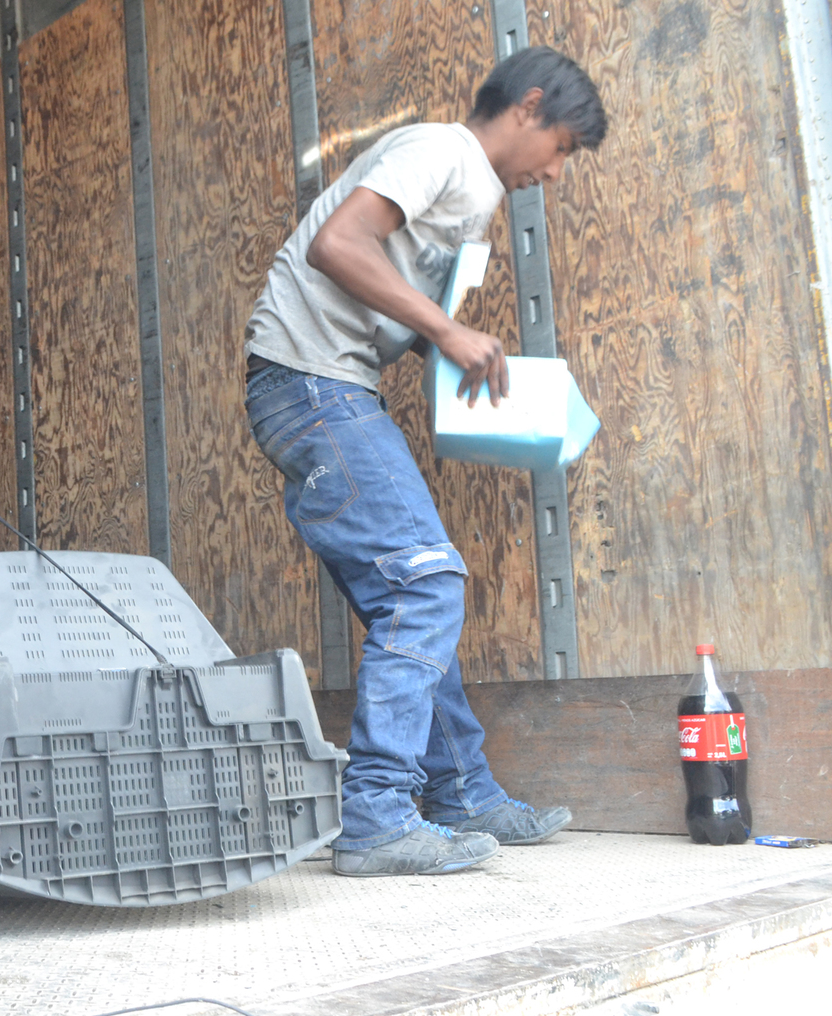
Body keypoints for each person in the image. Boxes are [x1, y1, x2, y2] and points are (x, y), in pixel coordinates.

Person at [243, 48, 608, 876]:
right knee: (425, 583)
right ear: (529, 106)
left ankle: (462, 791)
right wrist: (447, 330)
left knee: (410, 593)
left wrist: (450, 351)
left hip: (327, 384)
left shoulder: (473, 193)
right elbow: (337, 243)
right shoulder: (442, 150)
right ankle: (376, 814)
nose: (555, 173)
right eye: (561, 148)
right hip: (310, 382)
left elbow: (384, 294)